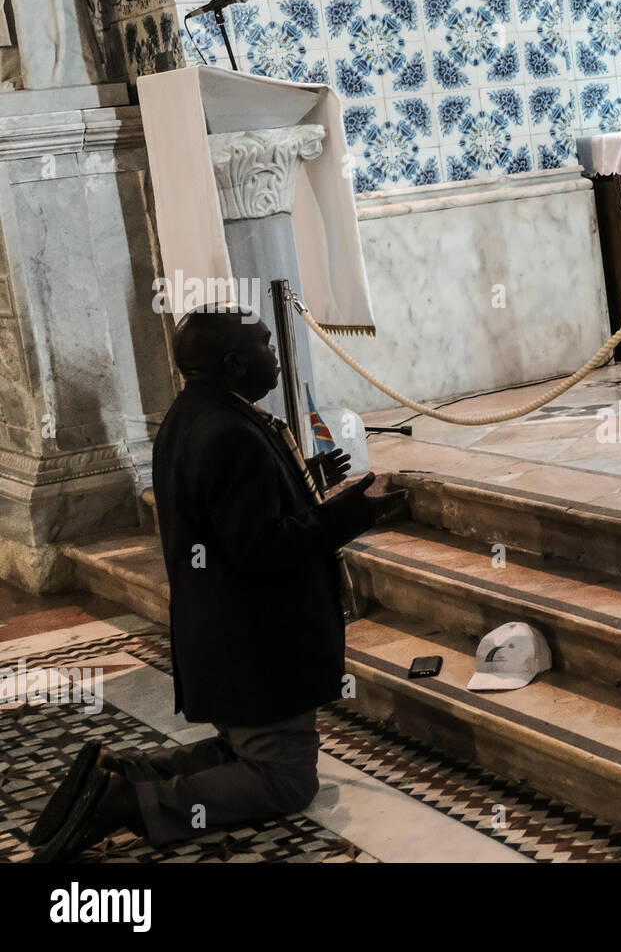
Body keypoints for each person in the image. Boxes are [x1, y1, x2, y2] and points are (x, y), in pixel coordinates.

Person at [30, 303, 405, 862]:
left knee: (250, 752)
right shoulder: (231, 431)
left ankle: (128, 772)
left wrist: (307, 486)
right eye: (263, 344)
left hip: (222, 636)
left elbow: (234, 510)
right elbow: (261, 549)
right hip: (255, 642)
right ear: (233, 362)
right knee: (284, 779)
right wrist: (351, 514)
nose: (274, 353)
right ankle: (125, 802)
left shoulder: (193, 414)